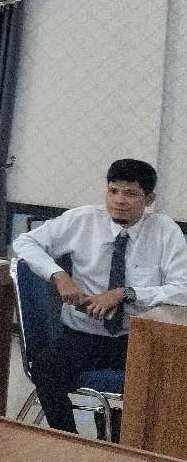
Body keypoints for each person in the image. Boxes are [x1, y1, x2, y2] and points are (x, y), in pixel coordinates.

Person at [13, 158, 187, 435]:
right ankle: (70, 439)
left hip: (135, 338)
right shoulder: (82, 220)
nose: (119, 200)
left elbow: (183, 289)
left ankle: (123, 434)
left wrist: (125, 294)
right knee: (46, 369)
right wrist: (58, 275)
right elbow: (25, 242)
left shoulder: (165, 230)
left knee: (170, 379)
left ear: (149, 199)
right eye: (112, 191)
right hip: (82, 335)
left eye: (130, 193)